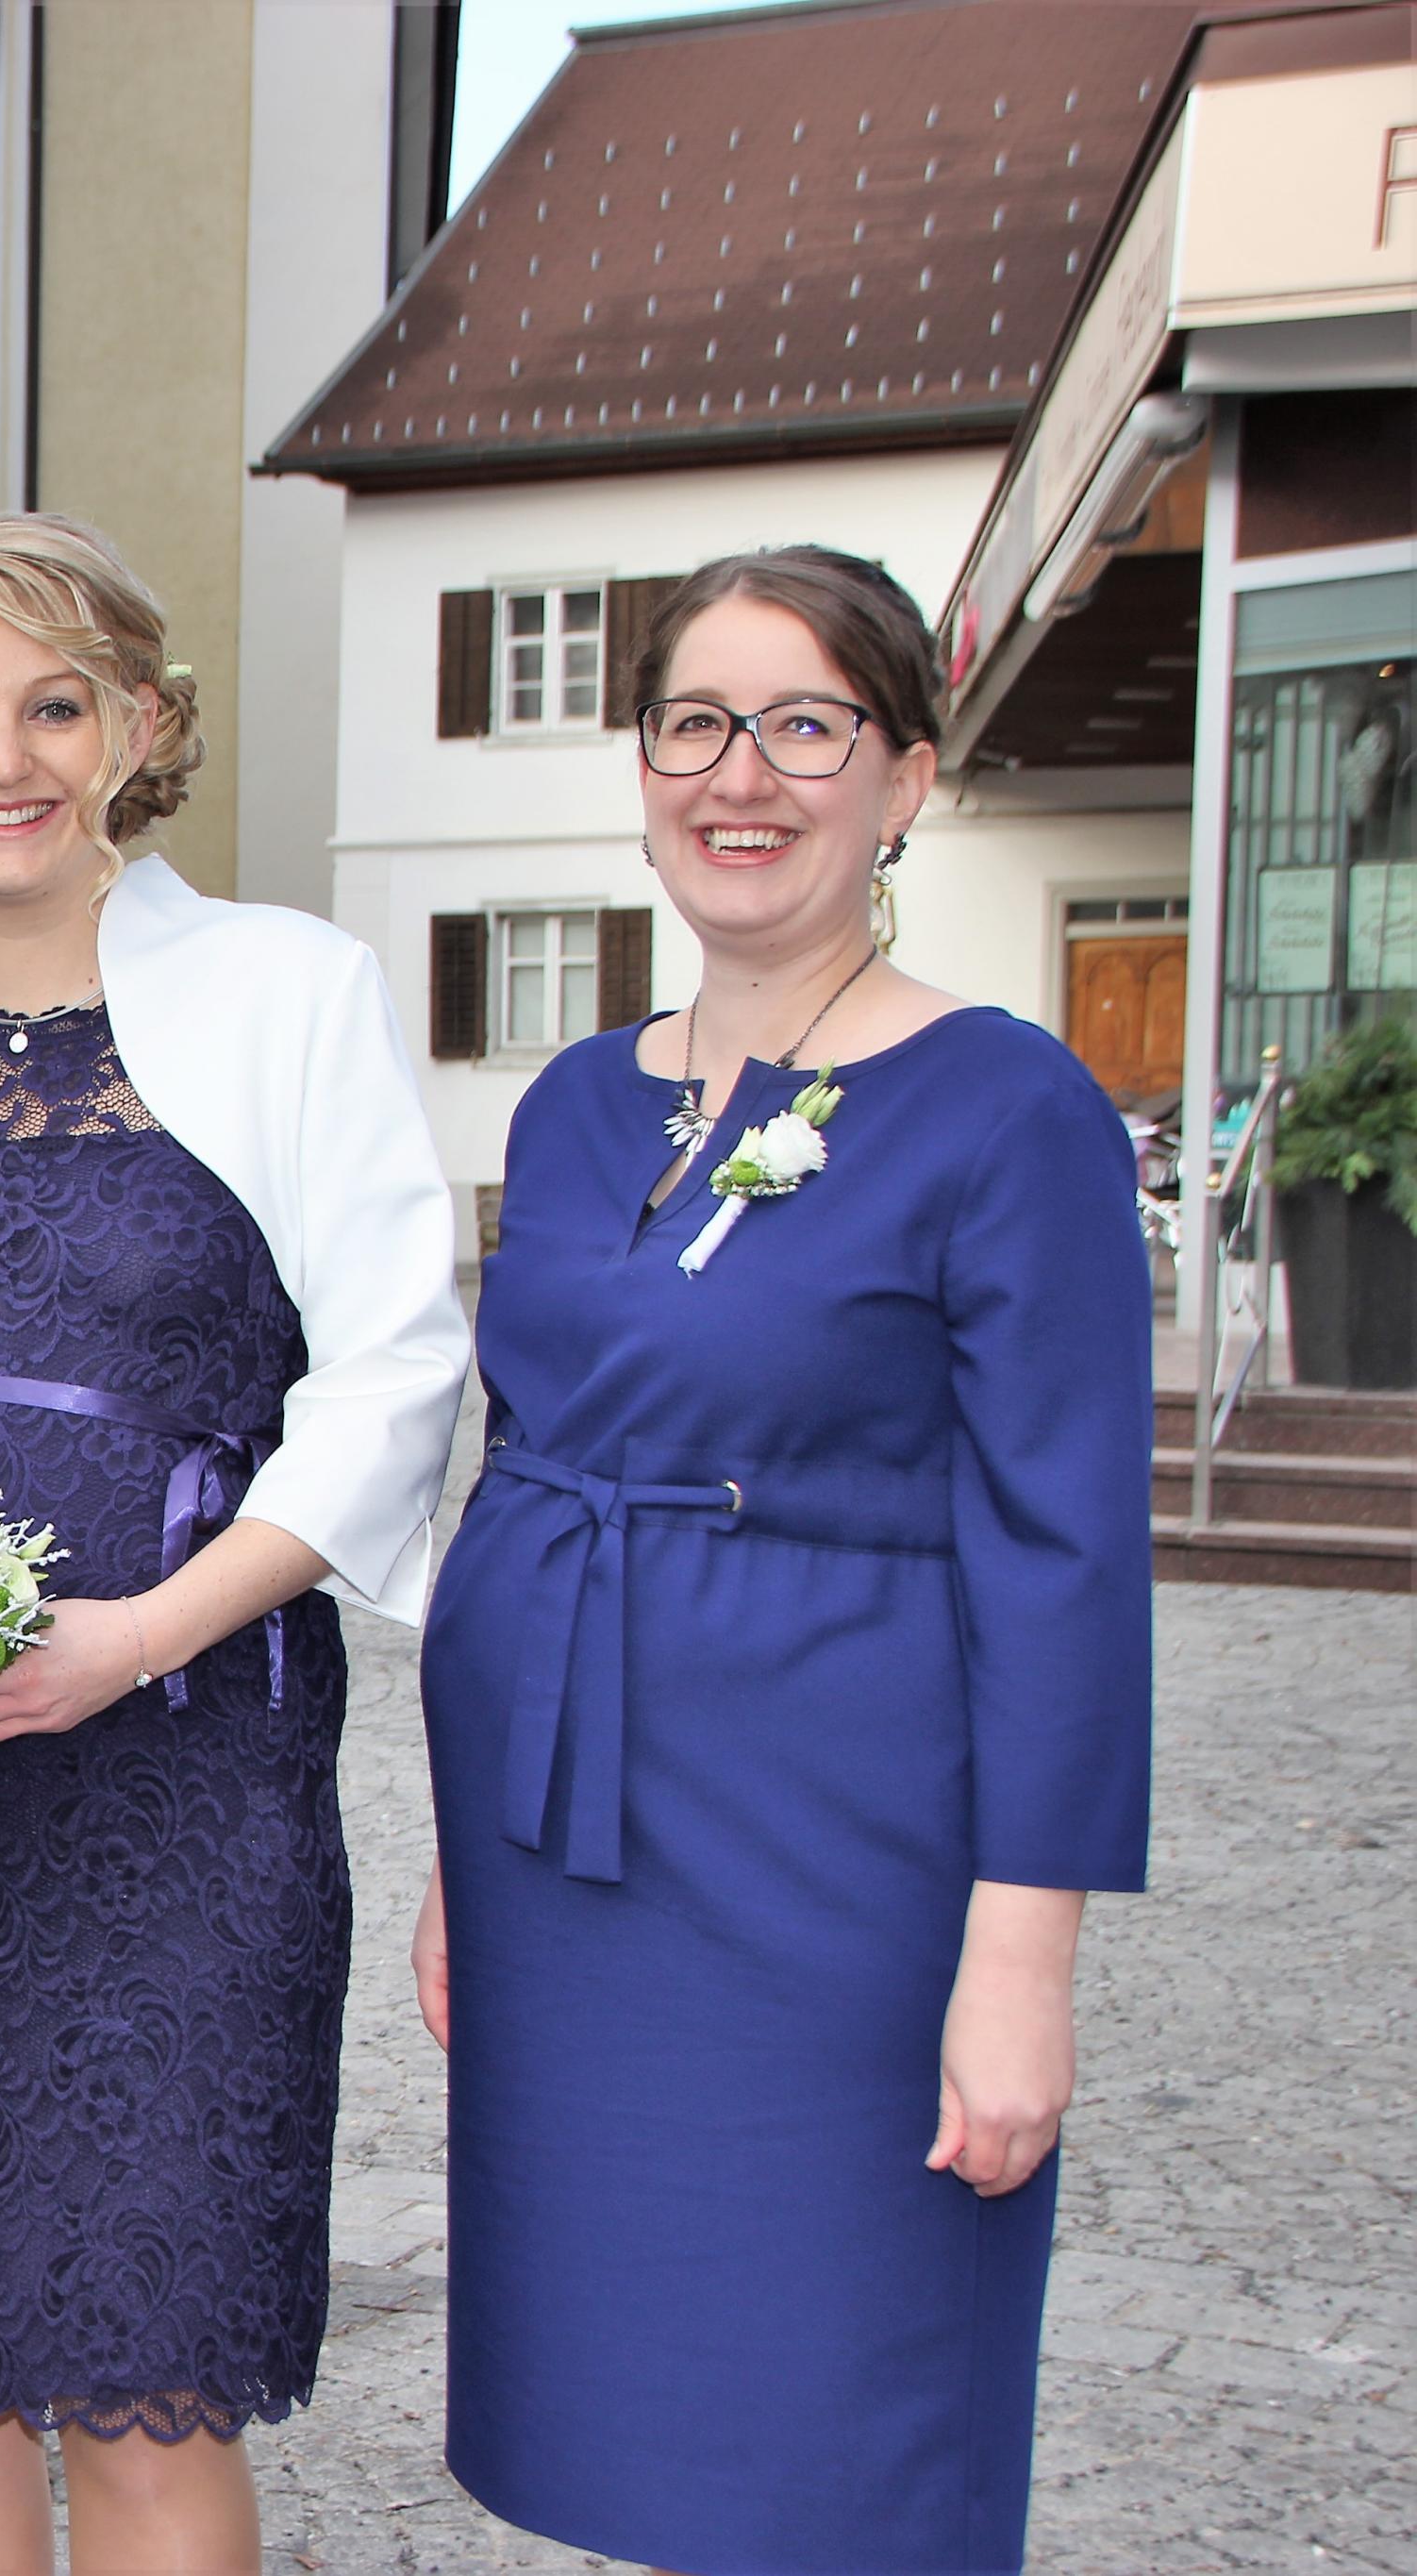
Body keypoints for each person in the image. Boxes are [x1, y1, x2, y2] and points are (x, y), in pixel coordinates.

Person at [413, 544, 1153, 2573]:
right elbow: (525, 1463)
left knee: (841, 2436)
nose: (740, 775)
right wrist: (465, 1847)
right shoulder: (578, 1101)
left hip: (843, 1872)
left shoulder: (1006, 1108)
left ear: (904, 778)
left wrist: (1021, 1965)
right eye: (693, 724)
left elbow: (1066, 1558)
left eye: (805, 724)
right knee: (629, 2434)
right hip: (571, 1875)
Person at [0, 513, 468, 2576]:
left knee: (149, 2385)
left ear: (141, 728)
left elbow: (395, 1374)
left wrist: (138, 1632)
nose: (2, 761)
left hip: (185, 1772)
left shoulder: (289, 990)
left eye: (53, 707)